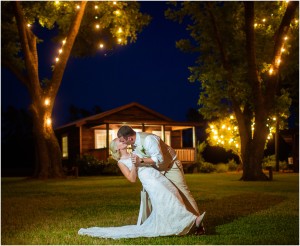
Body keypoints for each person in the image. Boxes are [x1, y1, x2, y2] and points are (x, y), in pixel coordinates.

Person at [78, 138, 205, 239]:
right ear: (117, 148)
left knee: (174, 194)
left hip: (157, 176)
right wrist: (135, 164)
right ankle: (194, 221)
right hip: (149, 181)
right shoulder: (121, 162)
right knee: (168, 198)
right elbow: (132, 179)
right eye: (118, 141)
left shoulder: (135, 151)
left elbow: (150, 160)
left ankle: (181, 224)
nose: (121, 140)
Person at [117, 125, 204, 233]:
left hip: (170, 166)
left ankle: (198, 225)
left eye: (122, 141)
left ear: (129, 138)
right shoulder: (133, 145)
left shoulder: (149, 139)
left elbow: (159, 159)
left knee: (183, 192)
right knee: (155, 196)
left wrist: (141, 161)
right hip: (156, 171)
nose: (123, 143)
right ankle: (155, 223)